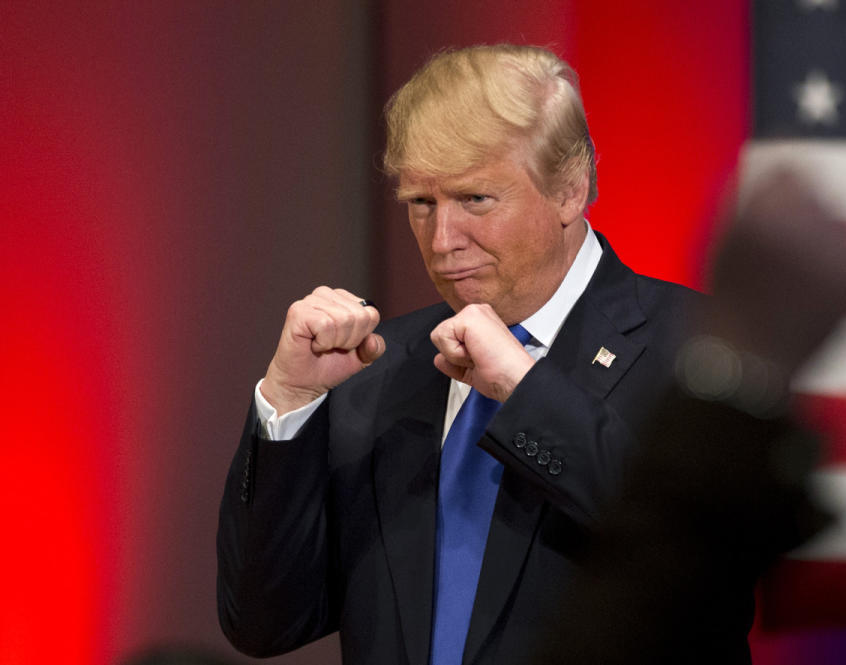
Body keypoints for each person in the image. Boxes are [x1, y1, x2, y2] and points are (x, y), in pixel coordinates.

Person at [218, 44, 733, 665]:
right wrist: (290, 402)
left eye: (475, 200)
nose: (442, 241)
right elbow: (264, 623)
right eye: (421, 203)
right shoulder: (380, 368)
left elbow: (708, 564)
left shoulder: (700, 344)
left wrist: (526, 389)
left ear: (571, 188)